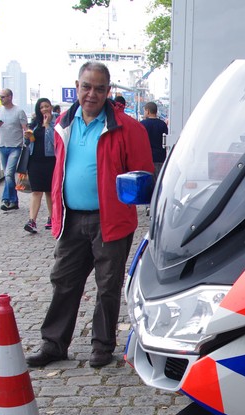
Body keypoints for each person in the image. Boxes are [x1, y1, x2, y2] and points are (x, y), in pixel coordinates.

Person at [26, 61, 154, 369]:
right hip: (71, 217)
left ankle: (102, 345)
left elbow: (144, 175)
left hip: (110, 220)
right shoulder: (63, 124)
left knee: (107, 285)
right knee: (64, 281)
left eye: (99, 88)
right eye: (86, 87)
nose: (91, 94)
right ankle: (54, 344)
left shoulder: (128, 128)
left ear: (108, 91)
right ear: (77, 87)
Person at [0, 89, 28, 212]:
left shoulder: (19, 111)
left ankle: (6, 199)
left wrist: (28, 141)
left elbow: (25, 129)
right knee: (7, 175)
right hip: (2, 146)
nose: (1, 99)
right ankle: (13, 201)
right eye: (0, 97)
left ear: (10, 97)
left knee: (9, 174)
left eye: (3, 97)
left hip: (15, 147)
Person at [23, 98, 57, 234]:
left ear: (51, 107)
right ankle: (32, 221)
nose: (44, 109)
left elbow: (55, 142)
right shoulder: (35, 123)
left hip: (50, 161)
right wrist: (28, 137)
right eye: (41, 107)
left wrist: (47, 125)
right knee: (36, 191)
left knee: (49, 191)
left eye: (46, 106)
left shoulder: (56, 122)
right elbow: (28, 143)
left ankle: (52, 218)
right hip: (35, 161)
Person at [140, 101, 168, 184]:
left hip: (147, 159)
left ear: (148, 111)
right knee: (159, 183)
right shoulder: (163, 125)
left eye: (145, 111)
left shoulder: (142, 124)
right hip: (160, 158)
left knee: (147, 184)